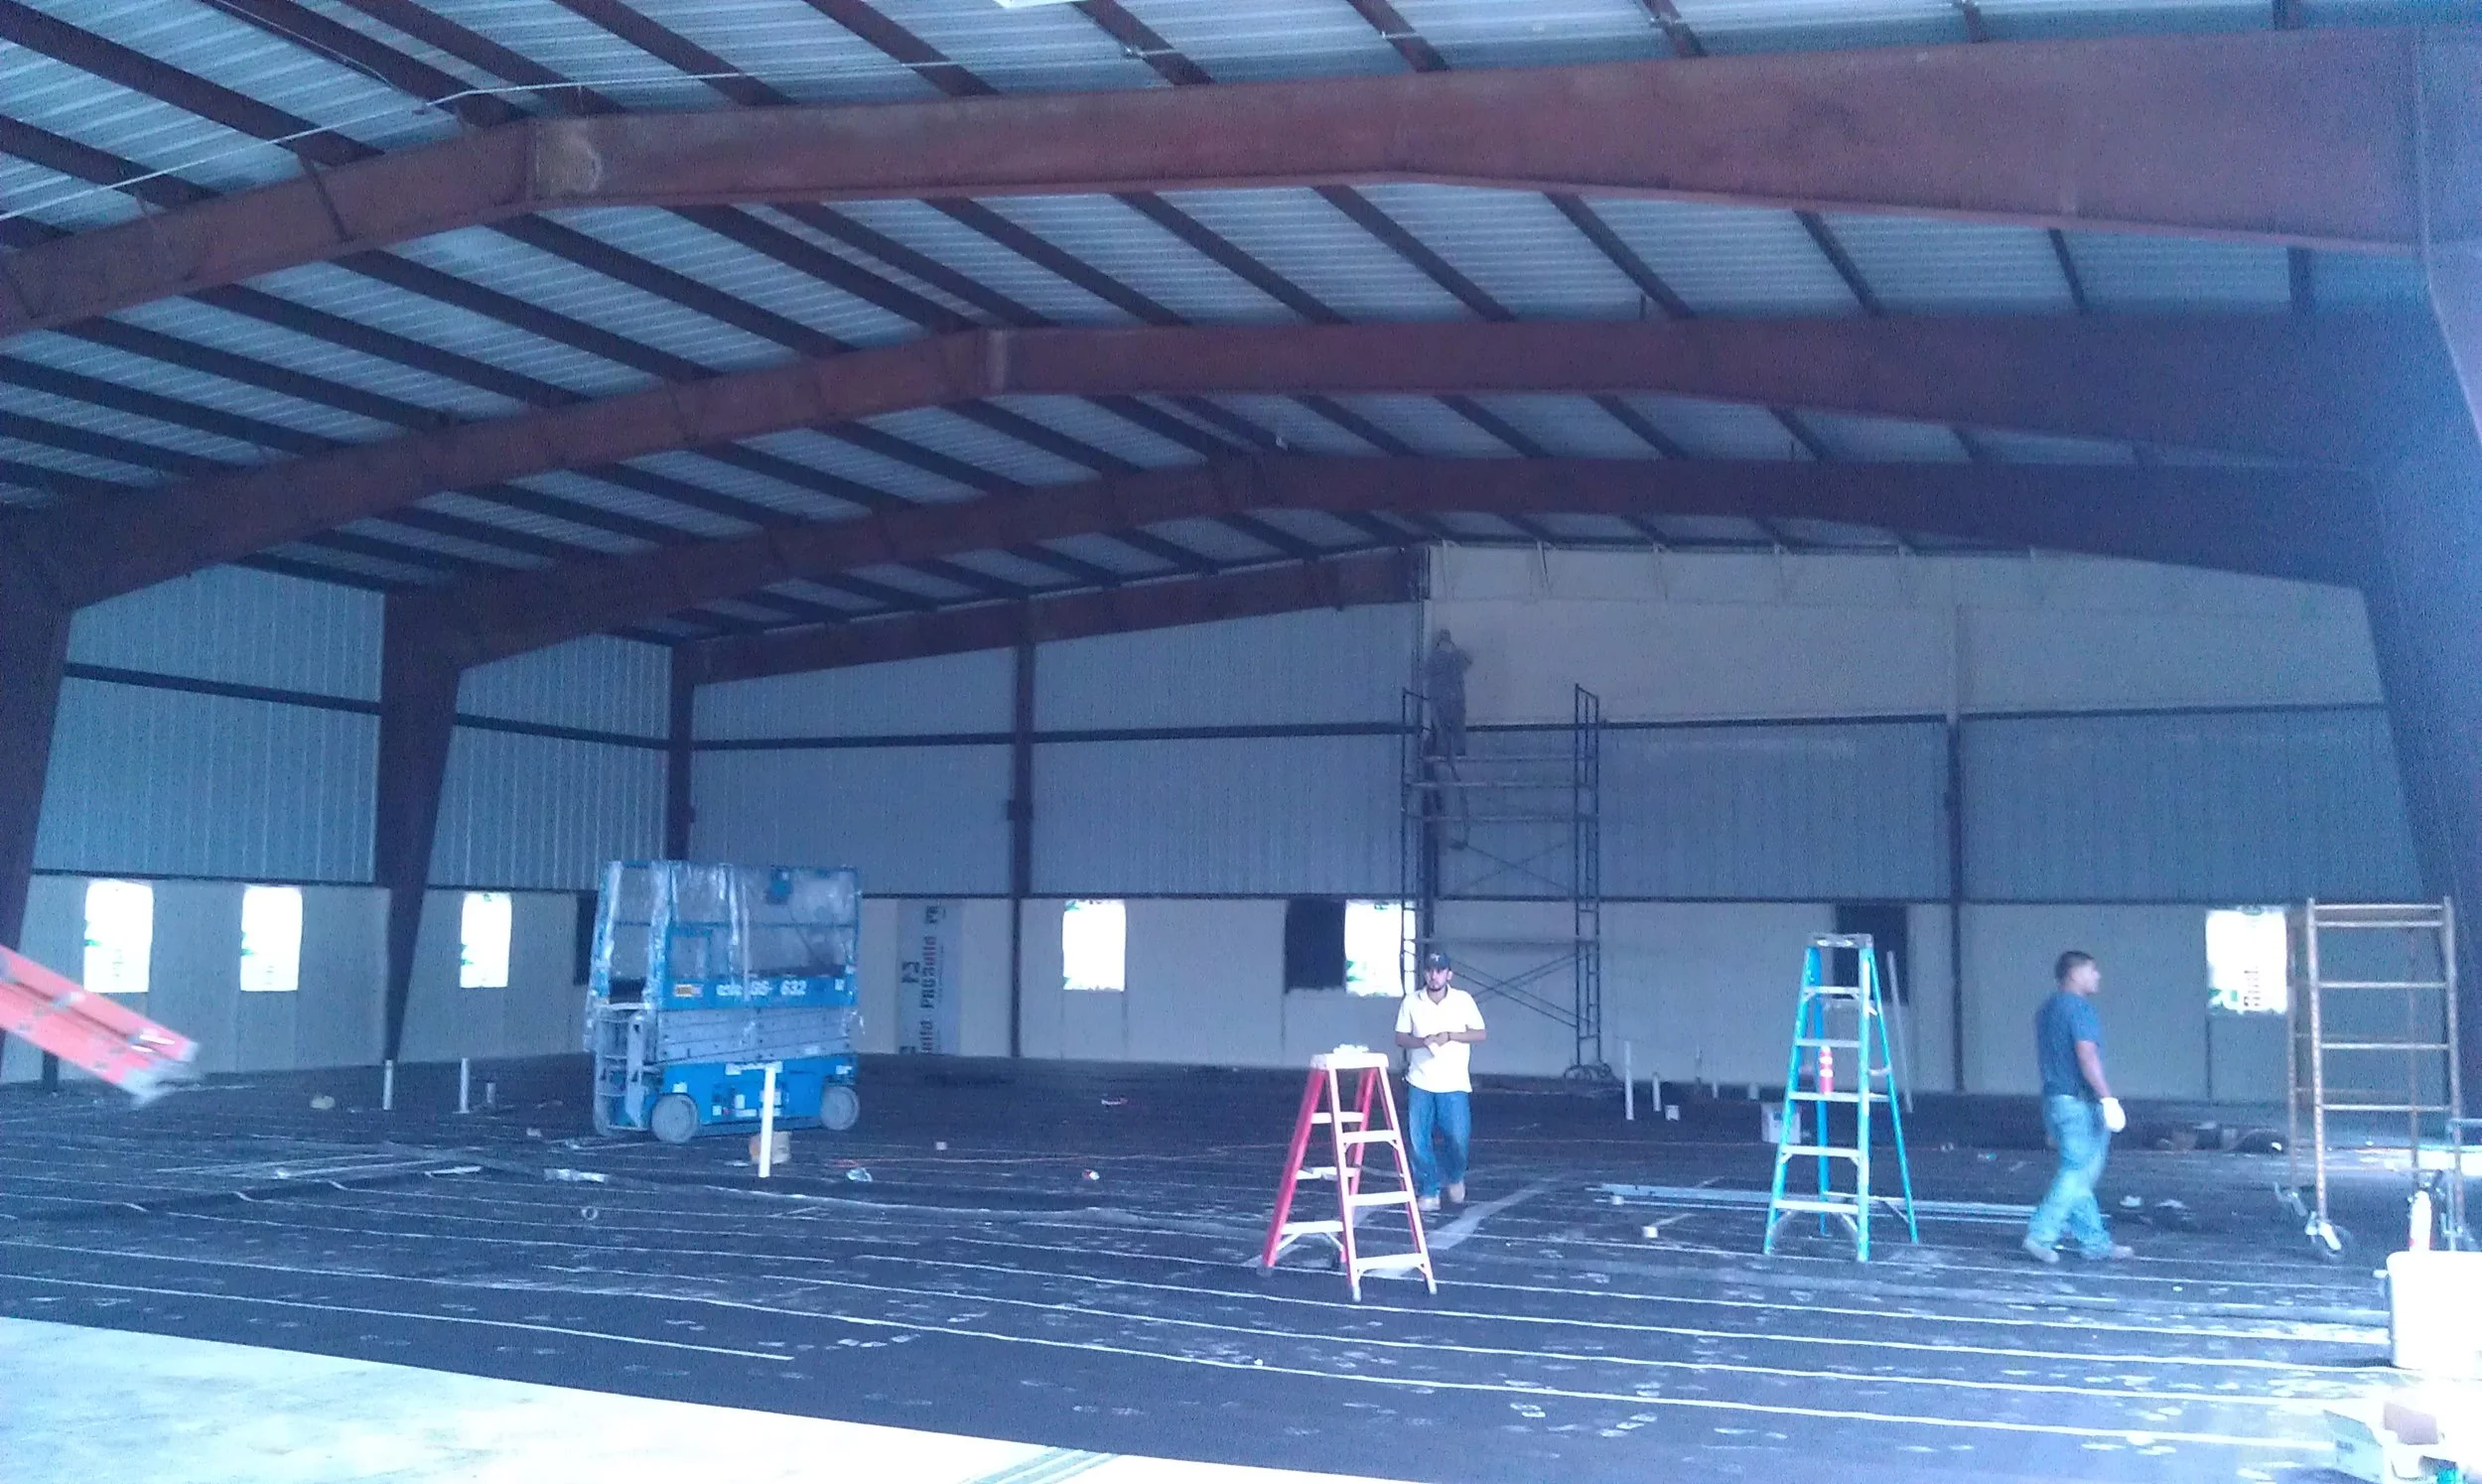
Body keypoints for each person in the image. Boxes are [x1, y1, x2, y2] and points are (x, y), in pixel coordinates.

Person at [2024, 950, 2133, 1265]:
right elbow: (2086, 1056)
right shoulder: (2079, 1009)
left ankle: (2095, 1242)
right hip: (2079, 1104)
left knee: (2080, 1177)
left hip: (2055, 1101)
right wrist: (2107, 1098)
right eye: (2092, 970)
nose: (2097, 976)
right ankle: (2041, 1234)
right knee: (2075, 1174)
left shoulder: (2046, 1010)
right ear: (2075, 973)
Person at [1395, 951, 1487, 1214]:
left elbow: (1480, 1033)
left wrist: (1450, 1036)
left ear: (1449, 974)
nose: (1434, 975)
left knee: (1458, 1139)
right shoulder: (1412, 1002)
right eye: (1430, 970)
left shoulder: (1463, 1000)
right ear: (1424, 973)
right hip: (1420, 1081)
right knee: (1418, 1140)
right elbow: (1400, 1037)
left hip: (1454, 1082)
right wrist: (1421, 1041)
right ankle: (1429, 1189)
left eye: (1440, 970)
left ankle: (1455, 1175)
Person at [1424, 630, 1471, 762]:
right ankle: (1459, 754)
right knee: (1457, 728)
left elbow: (1425, 673)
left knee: (1442, 728)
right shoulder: (1457, 655)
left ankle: (1446, 755)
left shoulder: (1435, 657)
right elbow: (1469, 662)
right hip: (1455, 698)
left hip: (1442, 699)